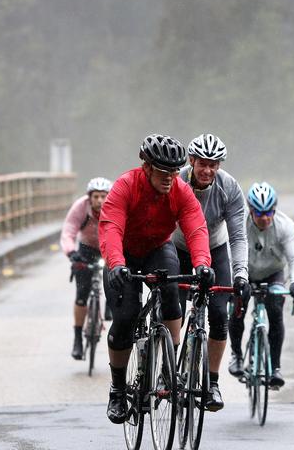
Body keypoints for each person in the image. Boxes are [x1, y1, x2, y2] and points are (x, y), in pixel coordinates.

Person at [99, 134, 214, 424]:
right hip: (123, 253)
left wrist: (202, 264)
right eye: (164, 172)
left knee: (173, 292)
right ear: (147, 167)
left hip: (157, 248)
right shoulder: (125, 186)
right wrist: (115, 264)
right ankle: (117, 388)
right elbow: (111, 226)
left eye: (175, 172)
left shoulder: (180, 190)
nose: (170, 178)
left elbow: (196, 228)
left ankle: (168, 364)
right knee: (125, 318)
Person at [172, 133, 248, 411]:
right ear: (191, 161)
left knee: (219, 314)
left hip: (215, 248)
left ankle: (212, 382)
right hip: (178, 247)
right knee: (174, 309)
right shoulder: (176, 181)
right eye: (202, 163)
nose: (207, 170)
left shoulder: (229, 187)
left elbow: (239, 236)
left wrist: (241, 275)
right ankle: (167, 367)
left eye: (213, 165)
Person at [227, 182, 294, 388]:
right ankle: (236, 355)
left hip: (273, 273)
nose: (264, 217)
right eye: (259, 213)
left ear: (274, 209)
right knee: (237, 308)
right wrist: (232, 283)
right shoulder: (239, 224)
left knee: (275, 312)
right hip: (244, 272)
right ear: (250, 210)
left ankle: (275, 368)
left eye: (269, 212)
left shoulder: (285, 226)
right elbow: (228, 254)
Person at [60, 176, 112, 360]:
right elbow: (68, 230)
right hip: (86, 249)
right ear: (89, 197)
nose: (99, 200)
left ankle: (110, 306)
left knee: (115, 278)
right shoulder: (80, 207)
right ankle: (77, 338)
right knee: (81, 295)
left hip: (108, 247)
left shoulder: (114, 206)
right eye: (95, 196)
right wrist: (71, 253)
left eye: (103, 196)